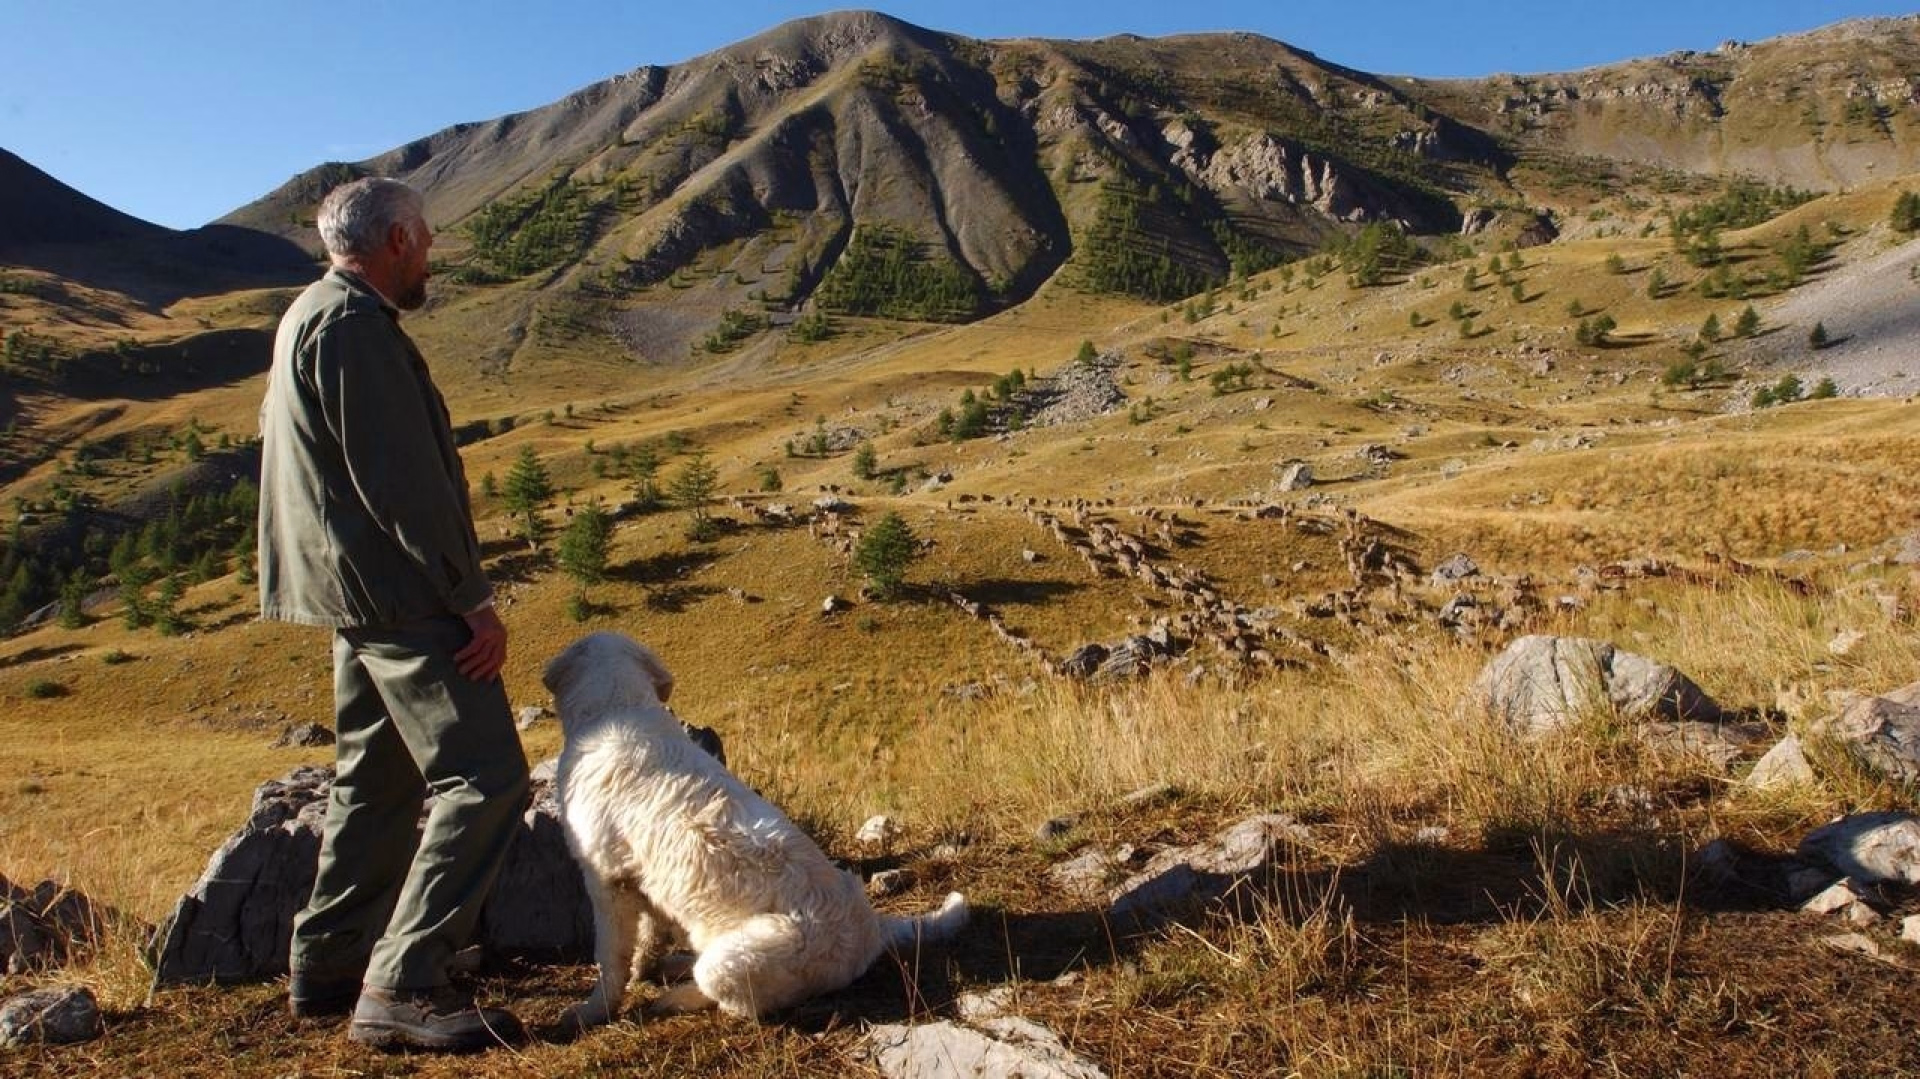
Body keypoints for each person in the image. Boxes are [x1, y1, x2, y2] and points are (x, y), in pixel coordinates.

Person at [256, 176, 529, 1053]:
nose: (433, 252)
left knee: (377, 779)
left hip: (355, 592)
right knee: (486, 776)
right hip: (402, 595)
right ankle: (405, 982)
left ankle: (329, 961)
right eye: (427, 236)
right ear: (398, 240)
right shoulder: (355, 330)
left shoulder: (310, 313)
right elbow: (403, 485)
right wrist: (470, 597)